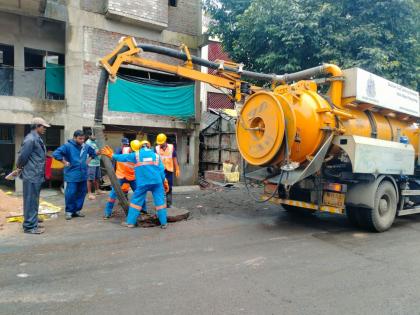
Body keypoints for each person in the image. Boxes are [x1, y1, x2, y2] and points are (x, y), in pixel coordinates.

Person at [101, 140, 169, 228]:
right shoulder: (156, 156)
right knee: (160, 202)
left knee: (136, 202)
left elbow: (123, 158)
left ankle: (130, 222)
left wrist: (112, 155)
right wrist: (164, 182)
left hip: (143, 182)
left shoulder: (136, 155)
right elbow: (161, 171)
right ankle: (164, 223)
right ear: (149, 146)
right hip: (156, 182)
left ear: (140, 147)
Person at [53, 130, 97, 220]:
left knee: (81, 193)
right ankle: (69, 211)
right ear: (74, 138)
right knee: (71, 193)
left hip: (83, 174)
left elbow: (93, 153)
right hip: (72, 174)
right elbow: (56, 154)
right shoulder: (68, 146)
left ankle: (77, 210)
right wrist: (64, 162)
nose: (82, 141)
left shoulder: (85, 146)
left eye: (83, 139)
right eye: (80, 139)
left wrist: (87, 161)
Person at [16, 117, 50, 234]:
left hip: (36, 174)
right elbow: (22, 157)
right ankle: (29, 227)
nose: (45, 129)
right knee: (30, 200)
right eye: (43, 126)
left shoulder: (36, 138)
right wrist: (19, 167)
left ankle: (33, 222)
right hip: (31, 175)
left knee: (34, 200)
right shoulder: (30, 139)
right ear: (37, 126)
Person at [103, 138, 146, 219]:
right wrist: (111, 154)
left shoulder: (139, 154)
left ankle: (144, 210)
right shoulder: (122, 150)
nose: (135, 152)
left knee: (140, 192)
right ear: (131, 147)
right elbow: (116, 156)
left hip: (132, 176)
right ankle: (107, 212)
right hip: (121, 175)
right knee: (113, 193)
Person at [155, 133, 180, 208]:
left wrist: (177, 168)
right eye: (159, 143)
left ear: (165, 140)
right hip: (160, 171)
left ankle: (169, 204)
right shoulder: (156, 149)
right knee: (160, 187)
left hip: (169, 171)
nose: (160, 144)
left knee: (169, 187)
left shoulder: (171, 147)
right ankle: (161, 204)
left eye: (161, 142)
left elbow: (174, 158)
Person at [85, 130, 105, 200]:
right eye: (94, 135)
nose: (95, 137)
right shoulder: (88, 143)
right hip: (91, 163)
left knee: (97, 178)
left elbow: (100, 149)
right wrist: (101, 151)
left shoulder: (95, 141)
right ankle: (89, 193)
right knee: (90, 179)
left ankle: (97, 190)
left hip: (97, 162)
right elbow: (95, 153)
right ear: (89, 136)